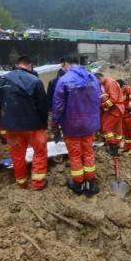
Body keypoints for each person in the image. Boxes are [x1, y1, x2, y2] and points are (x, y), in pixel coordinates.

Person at [52, 57, 101, 196]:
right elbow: (98, 98)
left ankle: (78, 184)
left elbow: (58, 106)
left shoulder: (64, 80)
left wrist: (54, 123)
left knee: (75, 155)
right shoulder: (92, 77)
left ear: (66, 64)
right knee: (88, 153)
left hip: (72, 125)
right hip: (90, 124)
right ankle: (90, 183)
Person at [0, 55, 49, 190]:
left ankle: (21, 183)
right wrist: (44, 125)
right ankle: (37, 183)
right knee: (40, 152)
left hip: (11, 127)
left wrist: (2, 125)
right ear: (29, 66)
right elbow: (43, 106)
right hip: (33, 126)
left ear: (16, 65)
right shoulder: (35, 81)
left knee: (17, 155)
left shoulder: (3, 80)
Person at [95, 73, 125, 156]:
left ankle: (113, 147)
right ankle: (116, 146)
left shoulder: (110, 83)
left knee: (106, 128)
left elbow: (113, 99)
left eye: (98, 81)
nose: (98, 83)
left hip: (116, 108)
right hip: (117, 108)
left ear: (100, 78)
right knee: (117, 129)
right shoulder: (107, 83)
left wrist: (102, 105)